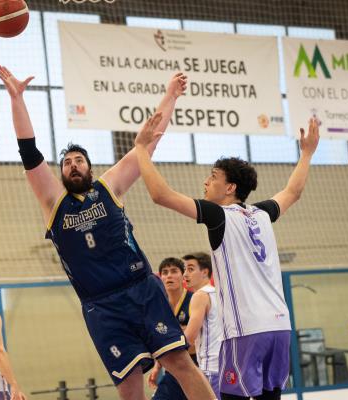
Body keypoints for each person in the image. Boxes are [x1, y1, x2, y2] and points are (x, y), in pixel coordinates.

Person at [0, 64, 215, 400]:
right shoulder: (53, 200)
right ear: (62, 172)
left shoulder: (110, 186)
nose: (73, 164)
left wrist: (170, 95)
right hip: (101, 305)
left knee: (179, 361)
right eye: (67, 162)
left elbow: (148, 143)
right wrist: (16, 99)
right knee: (128, 387)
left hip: (140, 289)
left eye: (79, 159)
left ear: (89, 166)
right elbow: (29, 151)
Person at [134, 114, 320, 400]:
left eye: (213, 177)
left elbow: (160, 195)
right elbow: (292, 192)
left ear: (230, 188)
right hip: (280, 327)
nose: (206, 181)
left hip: (246, 331)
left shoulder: (219, 215)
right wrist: (307, 153)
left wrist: (141, 150)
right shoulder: (262, 213)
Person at [147, 257, 196, 400]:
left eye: (174, 271)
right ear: (160, 277)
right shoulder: (159, 306)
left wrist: (172, 335)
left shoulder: (194, 299)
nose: (169, 275)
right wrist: (157, 367)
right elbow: (162, 342)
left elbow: (195, 341)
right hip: (173, 367)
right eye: (165, 272)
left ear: (183, 276)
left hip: (198, 365)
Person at [181, 252, 221, 395]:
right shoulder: (219, 294)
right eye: (184, 269)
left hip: (210, 368)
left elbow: (189, 338)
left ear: (205, 272)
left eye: (190, 269)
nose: (185, 274)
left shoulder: (199, 295)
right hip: (228, 367)